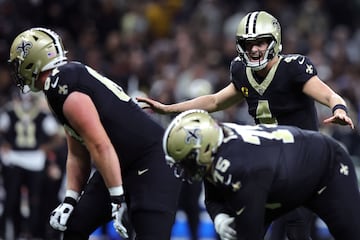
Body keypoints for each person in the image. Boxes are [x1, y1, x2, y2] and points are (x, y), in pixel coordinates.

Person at [136, 10, 355, 240]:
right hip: (270, 164)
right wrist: (169, 108)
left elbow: (330, 96)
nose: (254, 49)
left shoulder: (292, 67)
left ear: (275, 41)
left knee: (295, 230)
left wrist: (339, 109)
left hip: (302, 163)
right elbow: (214, 101)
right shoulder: (242, 72)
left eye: (261, 42)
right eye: (248, 44)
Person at [8, 27, 181, 240]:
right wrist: (70, 199)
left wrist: (116, 199)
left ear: (32, 60)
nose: (17, 70)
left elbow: (100, 145)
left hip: (151, 160)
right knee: (74, 228)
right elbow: (78, 152)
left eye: (18, 63)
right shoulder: (59, 84)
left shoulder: (62, 84)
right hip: (118, 161)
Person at [162, 109, 360, 240]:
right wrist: (221, 217)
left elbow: (251, 233)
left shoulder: (241, 167)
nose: (185, 169)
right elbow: (212, 192)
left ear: (203, 148)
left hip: (327, 170)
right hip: (284, 178)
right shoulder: (217, 144)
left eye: (187, 161)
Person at [0, 92, 63, 239]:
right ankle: (10, 231)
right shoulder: (8, 113)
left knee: (36, 200)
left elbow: (58, 139)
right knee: (11, 199)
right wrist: (4, 144)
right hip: (14, 159)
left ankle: (34, 232)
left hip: (35, 160)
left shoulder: (43, 115)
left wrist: (45, 148)